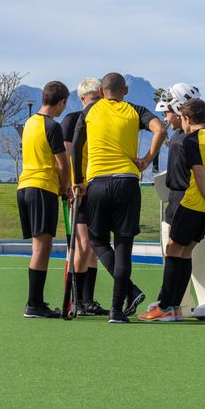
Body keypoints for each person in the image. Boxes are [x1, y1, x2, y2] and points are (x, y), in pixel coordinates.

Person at [72, 73, 166, 323]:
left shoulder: (89, 112)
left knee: (97, 241)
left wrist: (77, 181)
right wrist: (147, 158)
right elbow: (160, 129)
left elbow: (77, 145)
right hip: (127, 182)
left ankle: (130, 291)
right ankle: (116, 310)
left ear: (102, 91)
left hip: (97, 183)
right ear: (124, 90)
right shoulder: (135, 109)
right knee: (124, 246)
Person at [141, 98, 205, 321]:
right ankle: (174, 307)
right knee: (185, 253)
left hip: (192, 203)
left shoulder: (190, 141)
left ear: (186, 118)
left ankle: (166, 308)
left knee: (173, 250)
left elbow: (199, 174)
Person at [61, 77, 148, 316]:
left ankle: (89, 300)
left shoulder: (108, 112)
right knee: (84, 244)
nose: (97, 104)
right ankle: (79, 300)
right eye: (92, 100)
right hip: (83, 186)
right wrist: (72, 183)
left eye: (99, 99)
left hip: (99, 183)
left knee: (92, 247)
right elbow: (70, 153)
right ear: (82, 99)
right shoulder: (74, 119)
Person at [17, 81, 71, 318]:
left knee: (38, 245)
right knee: (43, 246)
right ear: (61, 103)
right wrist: (66, 188)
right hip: (42, 188)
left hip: (25, 187)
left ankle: (34, 302)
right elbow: (62, 163)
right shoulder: (53, 126)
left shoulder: (29, 123)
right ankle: (34, 304)